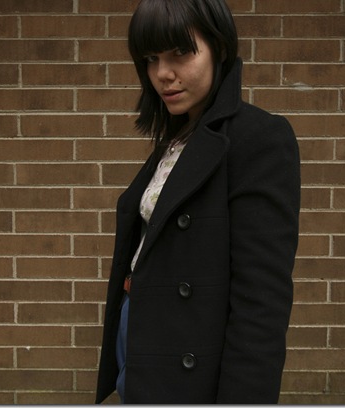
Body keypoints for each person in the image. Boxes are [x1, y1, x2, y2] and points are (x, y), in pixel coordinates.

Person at [95, 0, 300, 403]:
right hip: (142, 345)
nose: (162, 73)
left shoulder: (258, 138)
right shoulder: (177, 140)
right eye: (151, 58)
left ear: (219, 47)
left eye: (180, 52)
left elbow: (261, 306)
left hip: (186, 366)